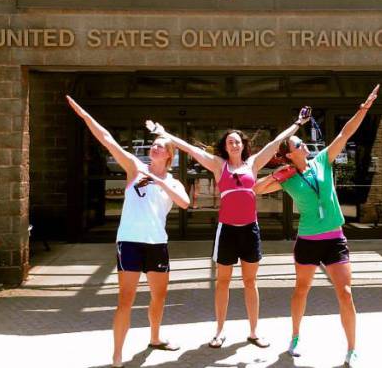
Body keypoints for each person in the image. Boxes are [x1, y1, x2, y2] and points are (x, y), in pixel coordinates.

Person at [146, 107, 310, 349]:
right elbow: (189, 148)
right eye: (230, 141)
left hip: (250, 230)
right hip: (227, 231)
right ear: (225, 146)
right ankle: (219, 331)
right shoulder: (217, 164)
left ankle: (254, 332)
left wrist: (298, 123)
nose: (234, 144)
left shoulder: (252, 164)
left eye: (237, 141)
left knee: (250, 282)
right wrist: (165, 133)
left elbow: (276, 143)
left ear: (243, 145)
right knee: (222, 282)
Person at [254, 85, 379, 368]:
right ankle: (295, 337)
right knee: (301, 289)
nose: (304, 145)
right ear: (289, 155)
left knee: (345, 293)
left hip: (334, 238)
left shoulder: (322, 160)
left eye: (302, 143)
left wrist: (364, 108)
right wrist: (277, 174)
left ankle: (351, 350)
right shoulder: (287, 176)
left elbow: (345, 133)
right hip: (308, 241)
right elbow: (256, 189)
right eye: (297, 145)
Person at [66, 96, 190, 368]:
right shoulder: (135, 168)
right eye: (153, 145)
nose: (154, 148)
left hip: (157, 244)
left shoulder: (173, 181)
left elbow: (185, 203)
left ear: (169, 154)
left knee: (159, 297)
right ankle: (117, 355)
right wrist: (86, 116)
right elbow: (108, 139)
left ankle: (155, 338)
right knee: (126, 300)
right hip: (130, 242)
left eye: (159, 146)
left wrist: (159, 181)